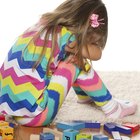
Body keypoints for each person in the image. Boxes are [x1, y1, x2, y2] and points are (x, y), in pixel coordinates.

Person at [0, 0, 137, 127]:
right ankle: (112, 108)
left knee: (70, 57)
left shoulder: (43, 25)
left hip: (12, 110)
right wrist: (86, 47)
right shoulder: (68, 37)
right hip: (36, 116)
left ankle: (85, 96)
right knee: (76, 62)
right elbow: (97, 54)